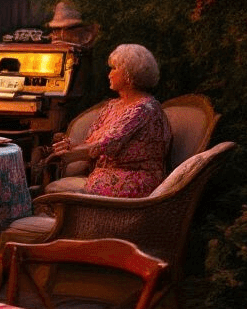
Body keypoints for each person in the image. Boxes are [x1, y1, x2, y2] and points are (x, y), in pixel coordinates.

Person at [46, 43, 171, 198]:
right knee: (52, 189)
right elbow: (91, 141)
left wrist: (71, 152)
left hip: (133, 181)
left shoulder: (144, 109)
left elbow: (107, 144)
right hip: (105, 176)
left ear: (128, 74)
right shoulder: (113, 106)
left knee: (54, 193)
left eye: (114, 68)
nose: (109, 74)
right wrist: (70, 145)